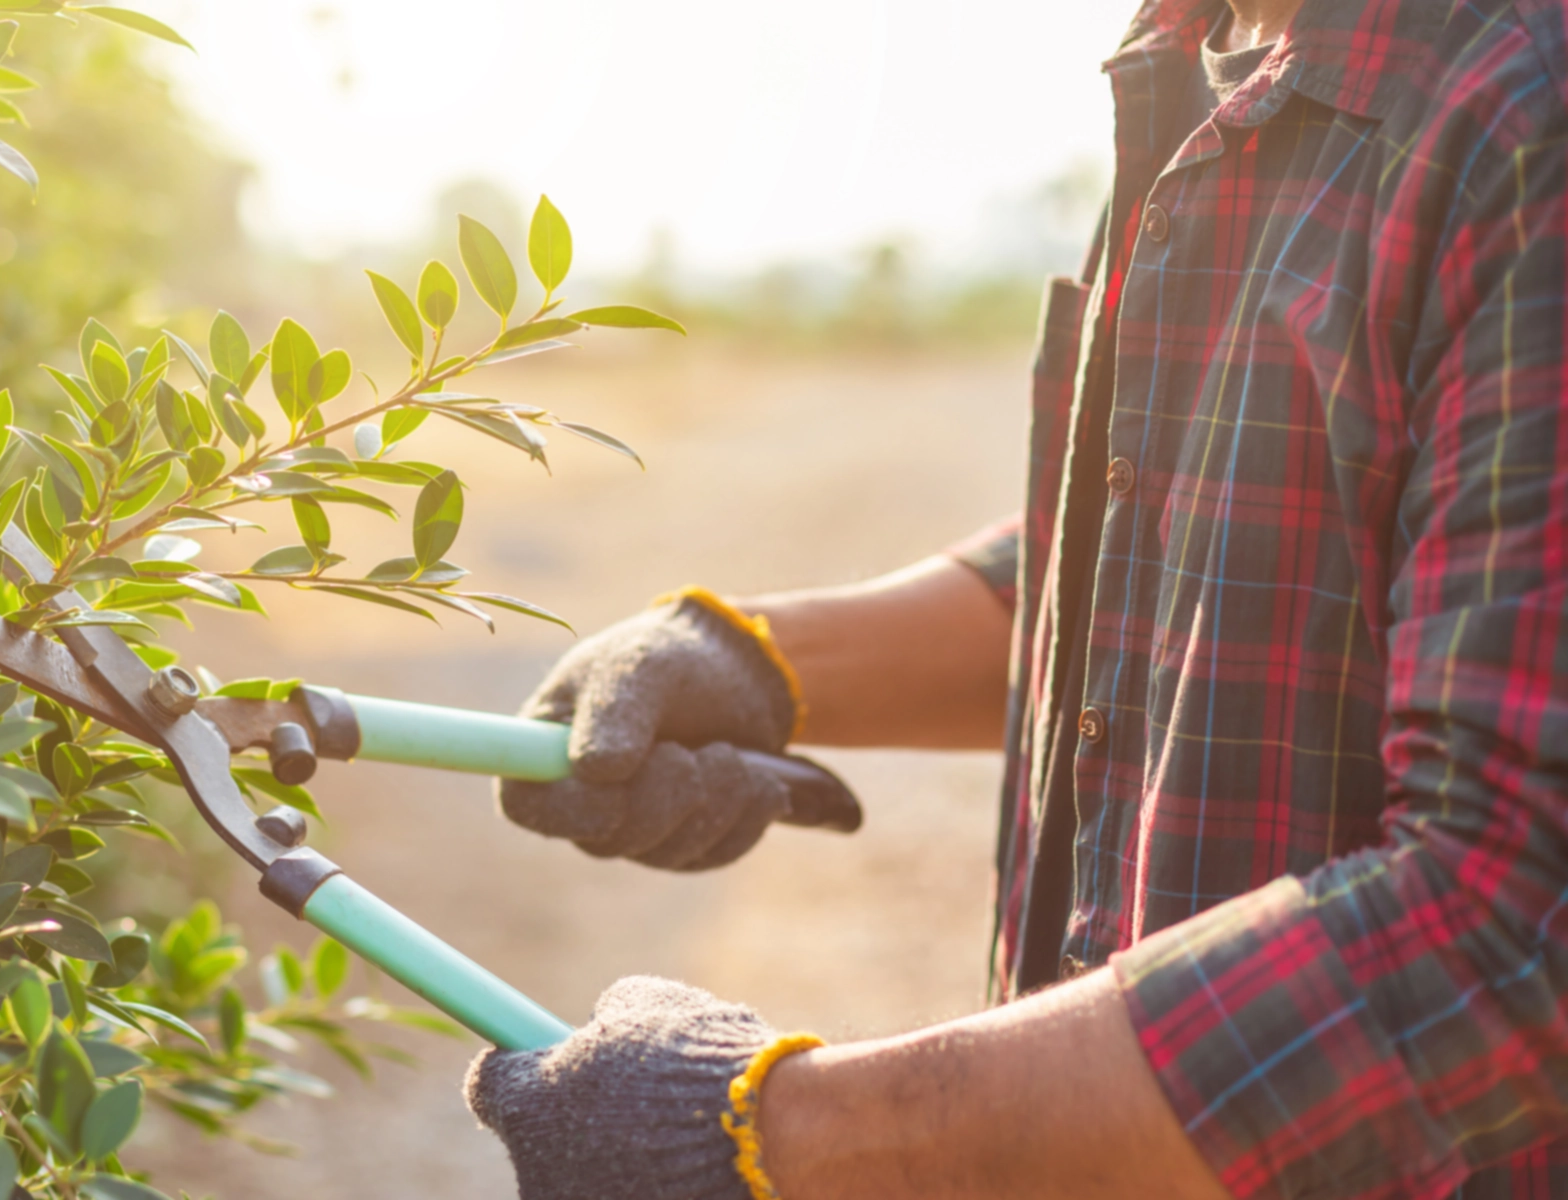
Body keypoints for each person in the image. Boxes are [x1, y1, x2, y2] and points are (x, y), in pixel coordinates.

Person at [461, 0, 1568, 1196]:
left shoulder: (1521, 106)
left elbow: (1513, 921)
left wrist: (792, 1131)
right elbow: (1175, 548)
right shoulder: (1203, 58)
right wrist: (758, 664)